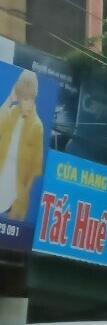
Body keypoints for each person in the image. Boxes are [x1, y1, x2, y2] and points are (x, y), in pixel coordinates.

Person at [0, 70, 43, 221]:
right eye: (23, 97)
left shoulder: (37, 126)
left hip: (13, 206)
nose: (27, 103)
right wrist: (10, 99)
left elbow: (33, 172)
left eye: (30, 98)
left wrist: (17, 207)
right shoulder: (10, 113)